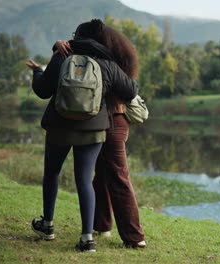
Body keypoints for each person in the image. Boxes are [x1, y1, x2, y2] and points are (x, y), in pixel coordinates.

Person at [26, 19, 138, 252]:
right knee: (84, 180)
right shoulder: (107, 63)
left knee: (52, 174)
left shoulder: (62, 56)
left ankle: (47, 226)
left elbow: (42, 90)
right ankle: (87, 238)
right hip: (94, 129)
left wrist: (38, 71)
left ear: (78, 36)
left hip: (59, 125)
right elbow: (130, 91)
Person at [54, 23, 146, 248]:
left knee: (117, 176)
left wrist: (62, 46)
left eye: (77, 36)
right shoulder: (114, 57)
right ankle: (102, 224)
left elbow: (127, 90)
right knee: (103, 174)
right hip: (115, 121)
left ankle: (135, 238)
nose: (73, 39)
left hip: (111, 120)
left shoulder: (102, 61)